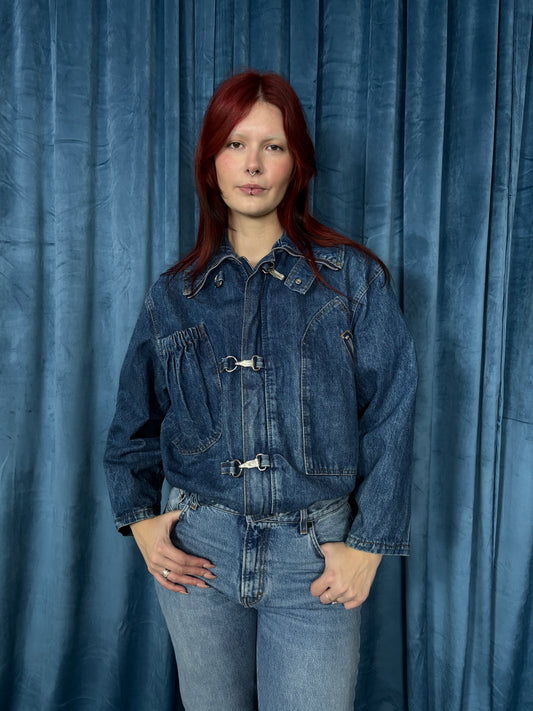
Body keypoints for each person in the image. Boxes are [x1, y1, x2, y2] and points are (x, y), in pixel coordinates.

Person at [104, 70, 417, 711]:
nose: (253, 164)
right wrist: (141, 522)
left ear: (296, 163)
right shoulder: (174, 295)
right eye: (235, 144)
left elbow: (392, 410)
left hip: (315, 558)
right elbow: (133, 425)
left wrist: (369, 547)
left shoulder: (351, 282)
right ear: (210, 162)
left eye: (272, 146)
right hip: (199, 555)